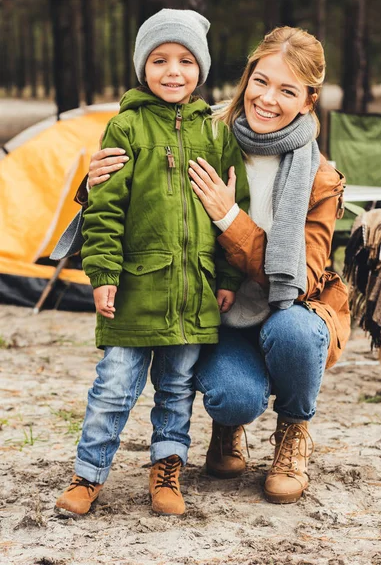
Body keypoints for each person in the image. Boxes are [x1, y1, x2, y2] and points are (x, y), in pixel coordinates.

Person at [80, 26, 351, 505]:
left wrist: (229, 218)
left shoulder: (320, 176)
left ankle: (293, 432)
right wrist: (93, 181)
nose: (267, 99)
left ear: (309, 101)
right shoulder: (208, 132)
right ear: (246, 78)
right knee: (234, 396)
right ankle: (229, 426)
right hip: (221, 311)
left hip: (286, 309)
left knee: (296, 331)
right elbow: (144, 186)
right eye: (260, 81)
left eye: (287, 90)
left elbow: (303, 280)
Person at [55, 8, 249, 517]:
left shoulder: (216, 133)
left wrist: (227, 278)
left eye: (186, 60)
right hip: (135, 288)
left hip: (193, 292)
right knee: (115, 384)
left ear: (200, 70)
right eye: (159, 59)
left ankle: (167, 470)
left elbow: (235, 210)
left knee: (177, 387)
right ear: (143, 67)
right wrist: (101, 275)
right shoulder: (126, 127)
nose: (173, 71)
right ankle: (88, 474)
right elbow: (105, 210)